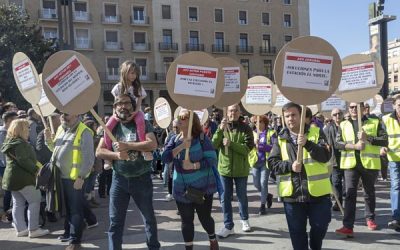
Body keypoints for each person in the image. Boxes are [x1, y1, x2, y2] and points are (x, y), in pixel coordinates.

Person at [96, 94, 160, 250]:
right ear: (114, 107)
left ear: (133, 106)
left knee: (149, 219)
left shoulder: (143, 123)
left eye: (127, 103)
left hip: (141, 179)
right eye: (119, 103)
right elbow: (99, 151)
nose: (123, 106)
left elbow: (152, 144)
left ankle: (153, 247)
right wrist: (116, 155)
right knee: (115, 222)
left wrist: (128, 145)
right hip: (119, 180)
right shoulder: (110, 127)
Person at [268, 102, 332, 250]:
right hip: (293, 196)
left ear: (302, 116)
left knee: (320, 227)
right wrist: (290, 166)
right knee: (297, 235)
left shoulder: (317, 133)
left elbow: (326, 156)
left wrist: (308, 144)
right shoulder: (280, 138)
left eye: (294, 115)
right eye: (287, 116)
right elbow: (272, 163)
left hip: (318, 194)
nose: (291, 119)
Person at [162, 109, 219, 250]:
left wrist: (194, 165)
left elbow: (212, 159)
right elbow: (165, 158)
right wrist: (182, 146)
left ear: (192, 121)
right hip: (181, 189)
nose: (180, 120)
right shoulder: (173, 139)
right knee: (186, 221)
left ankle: (212, 239)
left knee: (205, 219)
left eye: (185, 117)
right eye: (179, 117)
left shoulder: (201, 137)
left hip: (202, 188)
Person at [335, 102, 387, 237]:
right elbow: (337, 143)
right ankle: (347, 226)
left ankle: (370, 218)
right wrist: (353, 146)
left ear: (363, 108)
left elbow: (384, 140)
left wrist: (368, 138)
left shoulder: (375, 121)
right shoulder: (343, 124)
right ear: (348, 109)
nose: (354, 109)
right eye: (351, 107)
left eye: (357, 106)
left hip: (369, 164)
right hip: (351, 164)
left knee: (368, 192)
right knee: (350, 194)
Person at [44, 113, 95, 250]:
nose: (63, 117)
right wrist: (48, 140)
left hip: (74, 179)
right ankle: (68, 233)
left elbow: (89, 158)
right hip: (60, 177)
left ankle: (75, 241)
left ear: (77, 115)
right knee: (67, 209)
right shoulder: (62, 128)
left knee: (75, 210)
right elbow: (54, 149)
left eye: (67, 115)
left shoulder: (85, 131)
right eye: (62, 114)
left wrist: (81, 177)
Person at [1, 119, 50, 238]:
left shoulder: (10, 142)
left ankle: (21, 229)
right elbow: (24, 161)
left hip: (12, 178)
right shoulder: (20, 143)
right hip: (24, 178)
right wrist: (37, 170)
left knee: (18, 204)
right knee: (35, 201)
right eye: (27, 128)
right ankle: (33, 229)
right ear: (21, 129)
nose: (29, 130)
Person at [212, 103, 254, 238]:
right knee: (224, 198)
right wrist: (219, 130)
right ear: (226, 112)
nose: (233, 113)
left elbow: (247, 149)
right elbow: (213, 144)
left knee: (242, 196)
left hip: (241, 170)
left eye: (235, 111)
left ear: (240, 112)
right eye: (230, 111)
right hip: (224, 170)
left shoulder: (246, 128)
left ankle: (244, 220)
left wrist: (231, 144)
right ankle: (228, 226)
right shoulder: (222, 127)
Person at [105, 60, 152, 161]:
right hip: (120, 113)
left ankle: (145, 150)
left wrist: (135, 112)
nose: (134, 76)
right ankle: (108, 154)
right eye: (132, 73)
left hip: (135, 111)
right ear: (125, 73)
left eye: (135, 73)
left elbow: (139, 100)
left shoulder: (137, 87)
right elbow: (115, 103)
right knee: (107, 127)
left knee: (140, 121)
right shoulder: (118, 87)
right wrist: (115, 115)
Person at [381, 95, 400, 231]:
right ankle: (396, 217)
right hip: (394, 159)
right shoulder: (386, 119)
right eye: (399, 105)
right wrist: (382, 147)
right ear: (393, 106)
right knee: (396, 186)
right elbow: (382, 137)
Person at [250, 115, 274, 215]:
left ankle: (262, 205)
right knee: (256, 184)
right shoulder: (252, 133)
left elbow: (274, 147)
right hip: (255, 162)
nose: (258, 124)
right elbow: (247, 145)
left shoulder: (271, 133)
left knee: (263, 182)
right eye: (255, 122)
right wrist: (253, 143)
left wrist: (261, 146)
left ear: (265, 123)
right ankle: (268, 195)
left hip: (265, 162)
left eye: (260, 122)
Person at [324, 108, 345, 211]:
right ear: (332, 117)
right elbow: (325, 142)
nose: (337, 116)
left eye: (339, 113)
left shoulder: (347, 125)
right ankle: (338, 202)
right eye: (335, 114)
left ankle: (349, 203)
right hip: (335, 160)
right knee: (336, 183)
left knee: (348, 184)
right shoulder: (328, 128)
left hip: (347, 160)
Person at [0, 111, 18, 223]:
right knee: (8, 191)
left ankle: (10, 214)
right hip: (5, 166)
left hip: (9, 165)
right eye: (14, 120)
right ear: (7, 121)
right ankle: (7, 215)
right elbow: (4, 152)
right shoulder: (2, 134)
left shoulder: (10, 132)